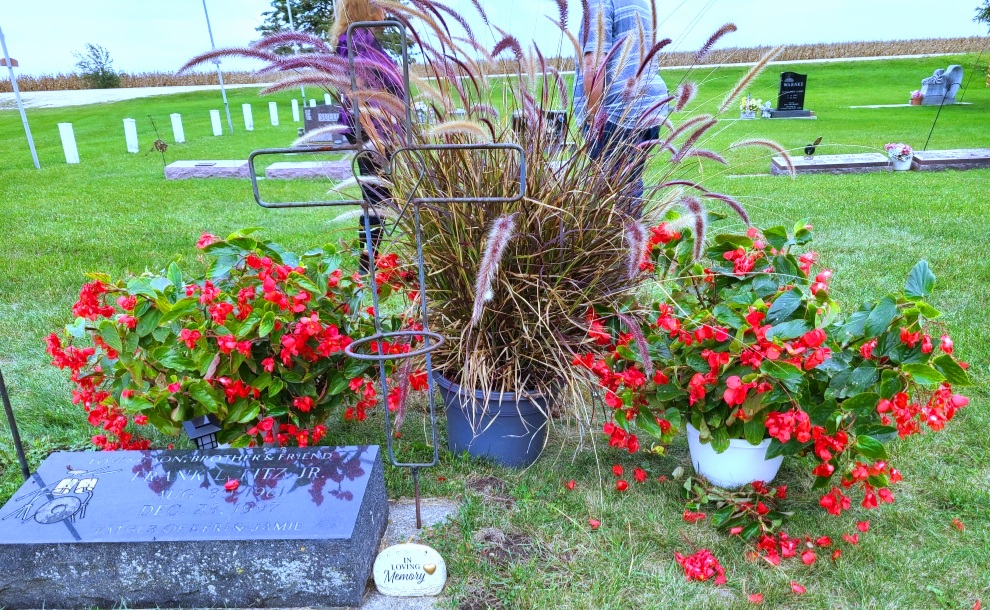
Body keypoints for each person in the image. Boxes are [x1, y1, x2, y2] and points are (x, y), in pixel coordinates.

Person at [574, 0, 669, 217]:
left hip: (618, 113)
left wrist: (593, 120)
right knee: (629, 184)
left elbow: (594, 65)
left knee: (607, 195)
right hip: (648, 108)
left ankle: (619, 247)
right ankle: (634, 245)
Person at [330, 0, 405, 272]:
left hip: (380, 128)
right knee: (377, 195)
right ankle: (367, 263)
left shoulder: (359, 37)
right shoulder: (357, 39)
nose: (385, 10)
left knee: (380, 194)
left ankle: (369, 259)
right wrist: (373, 132)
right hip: (375, 131)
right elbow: (357, 92)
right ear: (367, 9)